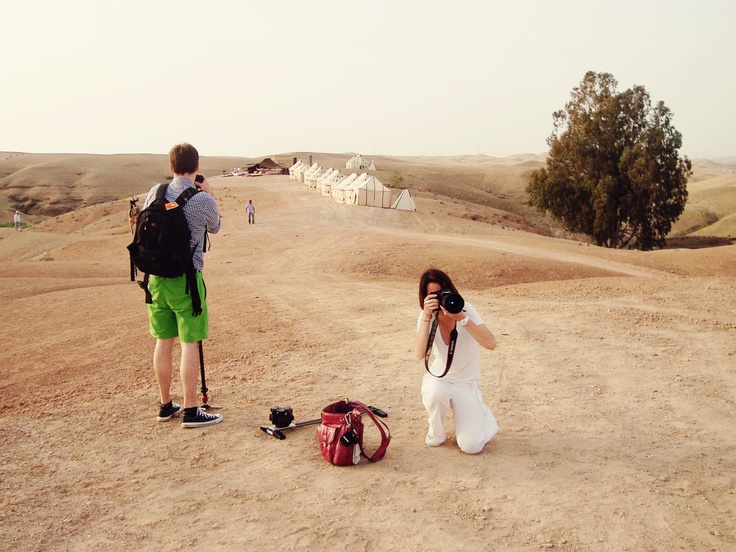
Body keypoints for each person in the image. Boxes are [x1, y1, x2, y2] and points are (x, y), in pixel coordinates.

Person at [143, 143, 223, 428]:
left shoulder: (156, 192)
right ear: (197, 166)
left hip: (155, 279)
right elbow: (215, 227)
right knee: (189, 342)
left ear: (170, 166)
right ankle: (191, 409)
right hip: (187, 278)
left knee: (163, 341)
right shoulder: (202, 199)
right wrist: (209, 193)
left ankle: (165, 405)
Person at [414, 268, 499, 454]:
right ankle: (436, 431)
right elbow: (420, 354)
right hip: (440, 378)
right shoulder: (426, 317)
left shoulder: (465, 309)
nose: (441, 298)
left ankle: (483, 418)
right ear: (425, 298)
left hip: (465, 383)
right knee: (435, 391)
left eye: (443, 292)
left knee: (471, 447)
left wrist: (462, 318)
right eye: (433, 295)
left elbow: (491, 343)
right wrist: (427, 316)